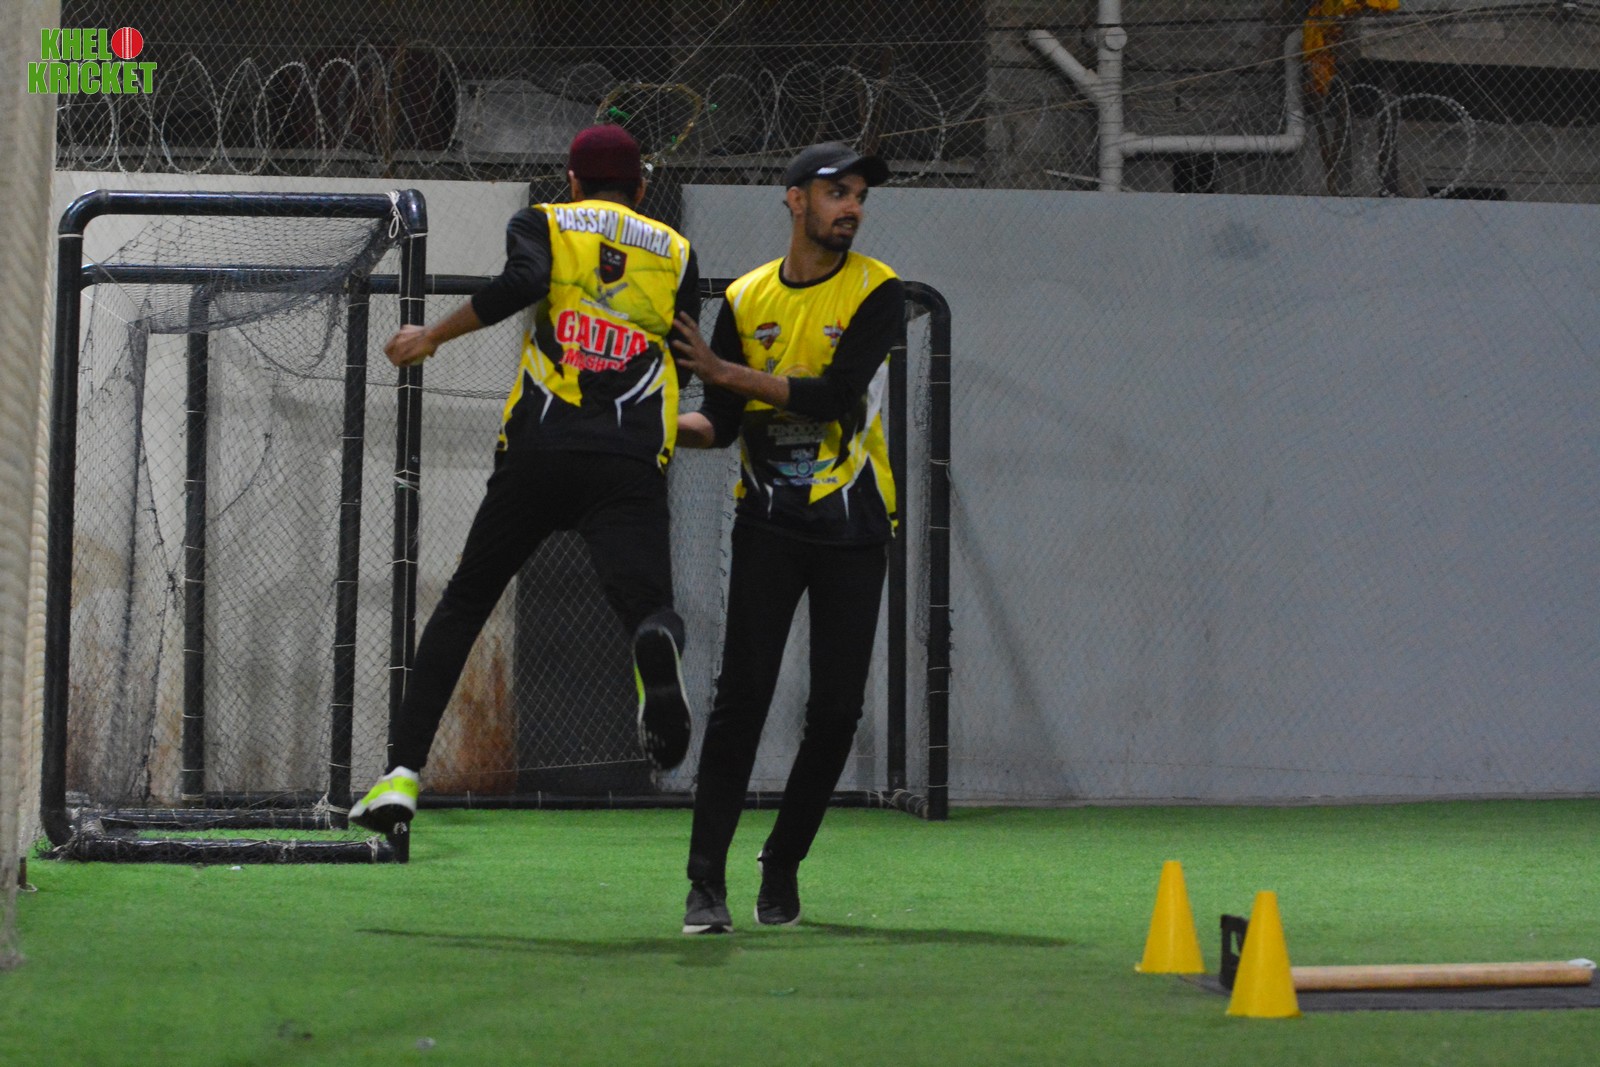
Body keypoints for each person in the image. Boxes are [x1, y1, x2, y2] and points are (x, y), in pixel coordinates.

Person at [350, 124, 700, 834]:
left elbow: (525, 282)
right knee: (648, 607)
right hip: (629, 455)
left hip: (541, 447)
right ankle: (654, 650)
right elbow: (685, 354)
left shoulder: (544, 221)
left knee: (465, 603)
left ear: (571, 182)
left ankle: (402, 775)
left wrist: (430, 335)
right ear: (640, 188)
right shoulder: (677, 250)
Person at [668, 141, 905, 933]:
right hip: (768, 523)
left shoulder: (877, 291)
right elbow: (719, 422)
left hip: (854, 525)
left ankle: (783, 860)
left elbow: (835, 397)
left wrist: (726, 373)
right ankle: (705, 884)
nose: (853, 208)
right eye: (839, 193)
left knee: (836, 713)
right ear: (796, 199)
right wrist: (652, 428)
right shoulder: (745, 299)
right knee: (740, 700)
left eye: (861, 195)